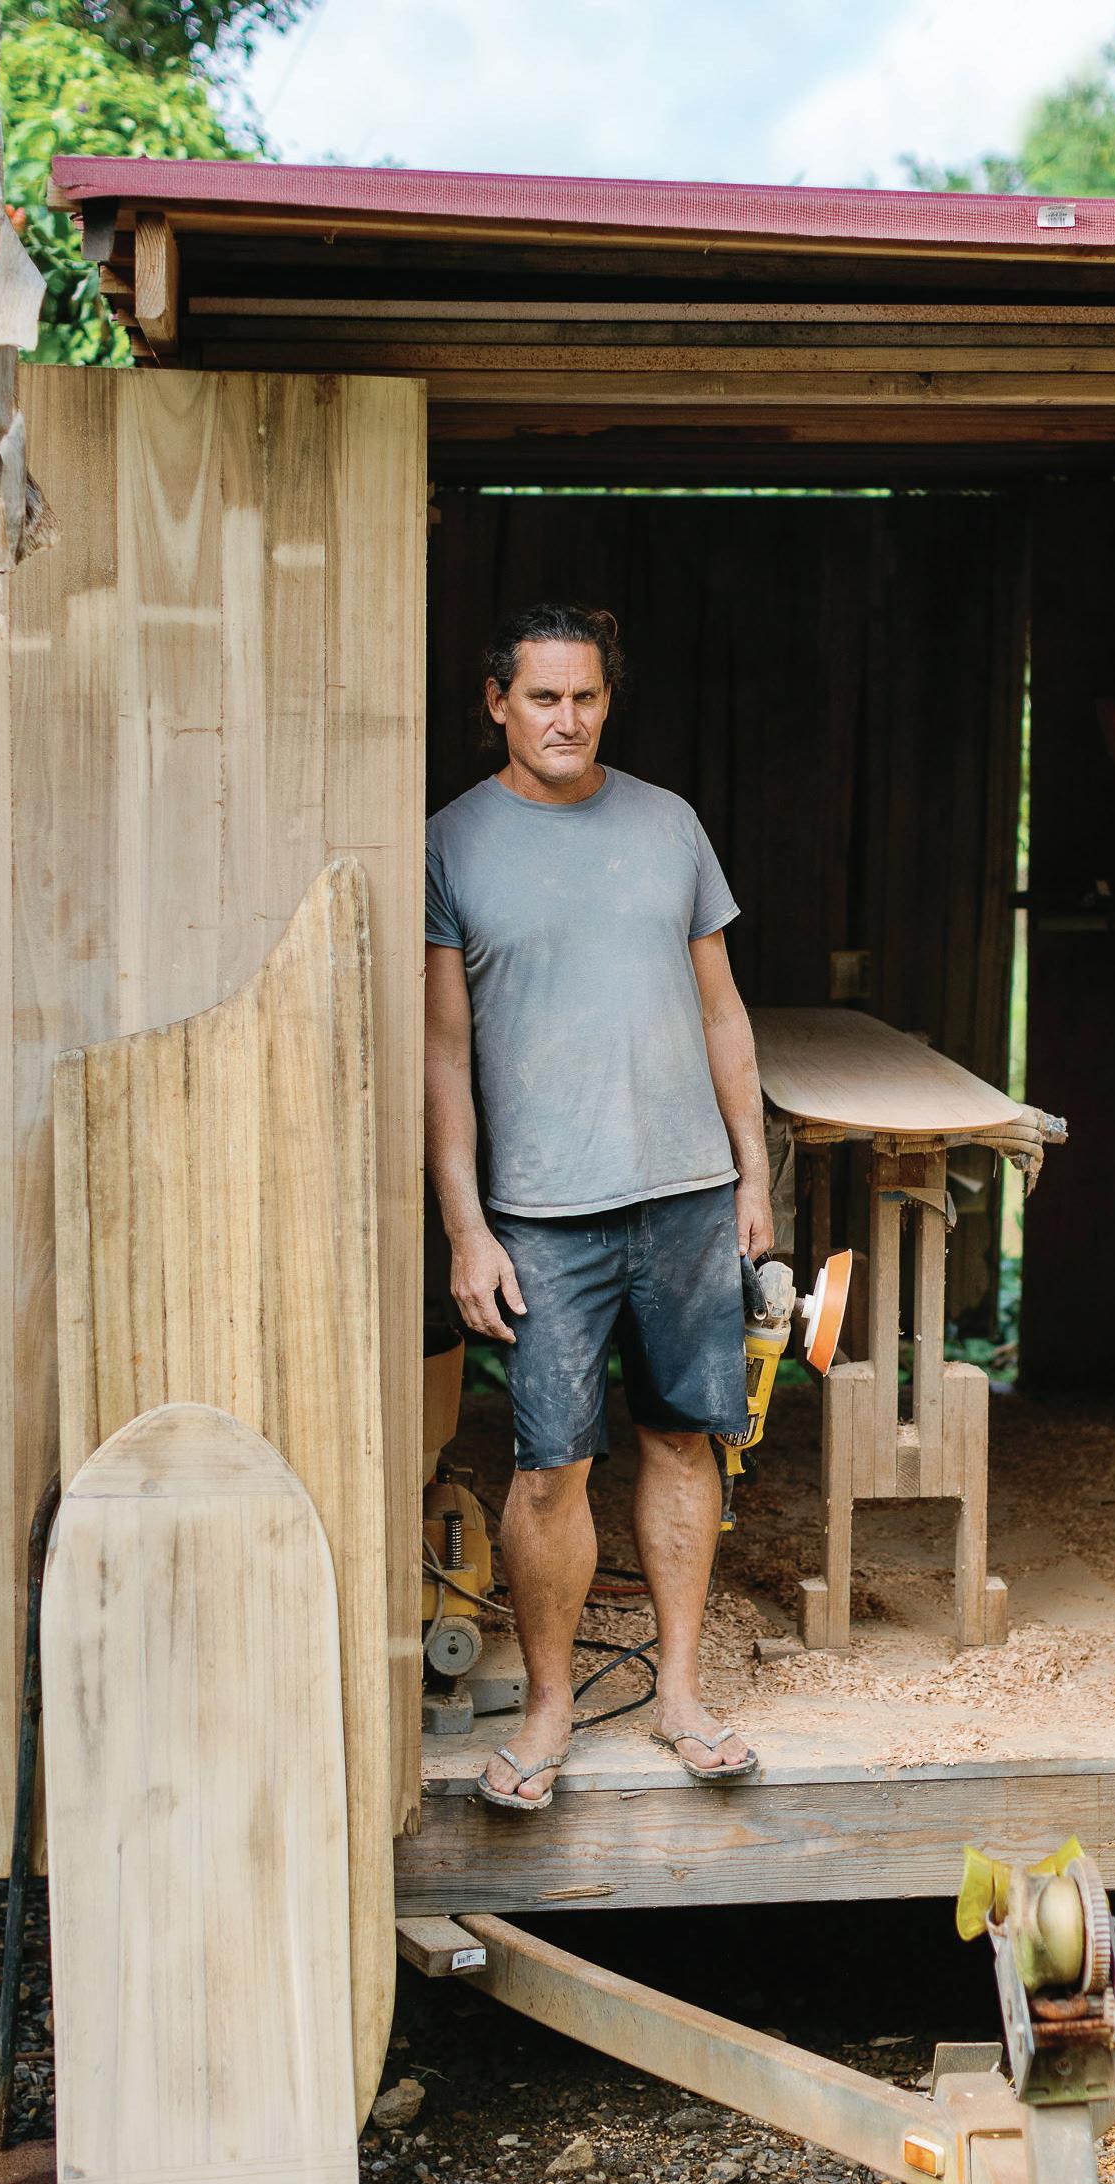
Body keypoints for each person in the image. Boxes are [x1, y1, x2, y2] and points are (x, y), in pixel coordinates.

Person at [423, 601, 772, 1811]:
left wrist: (754, 1173)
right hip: (541, 1212)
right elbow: (441, 1054)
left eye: (584, 697)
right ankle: (552, 1706)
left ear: (607, 700)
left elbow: (723, 1010)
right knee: (548, 1468)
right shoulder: (451, 844)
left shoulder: (669, 825)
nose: (565, 719)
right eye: (542, 698)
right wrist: (466, 1228)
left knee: (685, 1439)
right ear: (497, 703)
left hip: (685, 1193)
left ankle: (679, 1693)